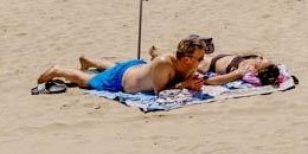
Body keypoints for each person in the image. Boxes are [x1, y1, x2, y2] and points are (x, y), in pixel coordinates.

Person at [37, 38, 208, 95]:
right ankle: (58, 69)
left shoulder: (185, 63)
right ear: (186, 59)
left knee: (112, 68)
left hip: (135, 69)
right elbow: (161, 92)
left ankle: (89, 61)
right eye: (199, 59)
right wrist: (185, 85)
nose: (201, 62)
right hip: (123, 79)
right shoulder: (164, 64)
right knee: (87, 81)